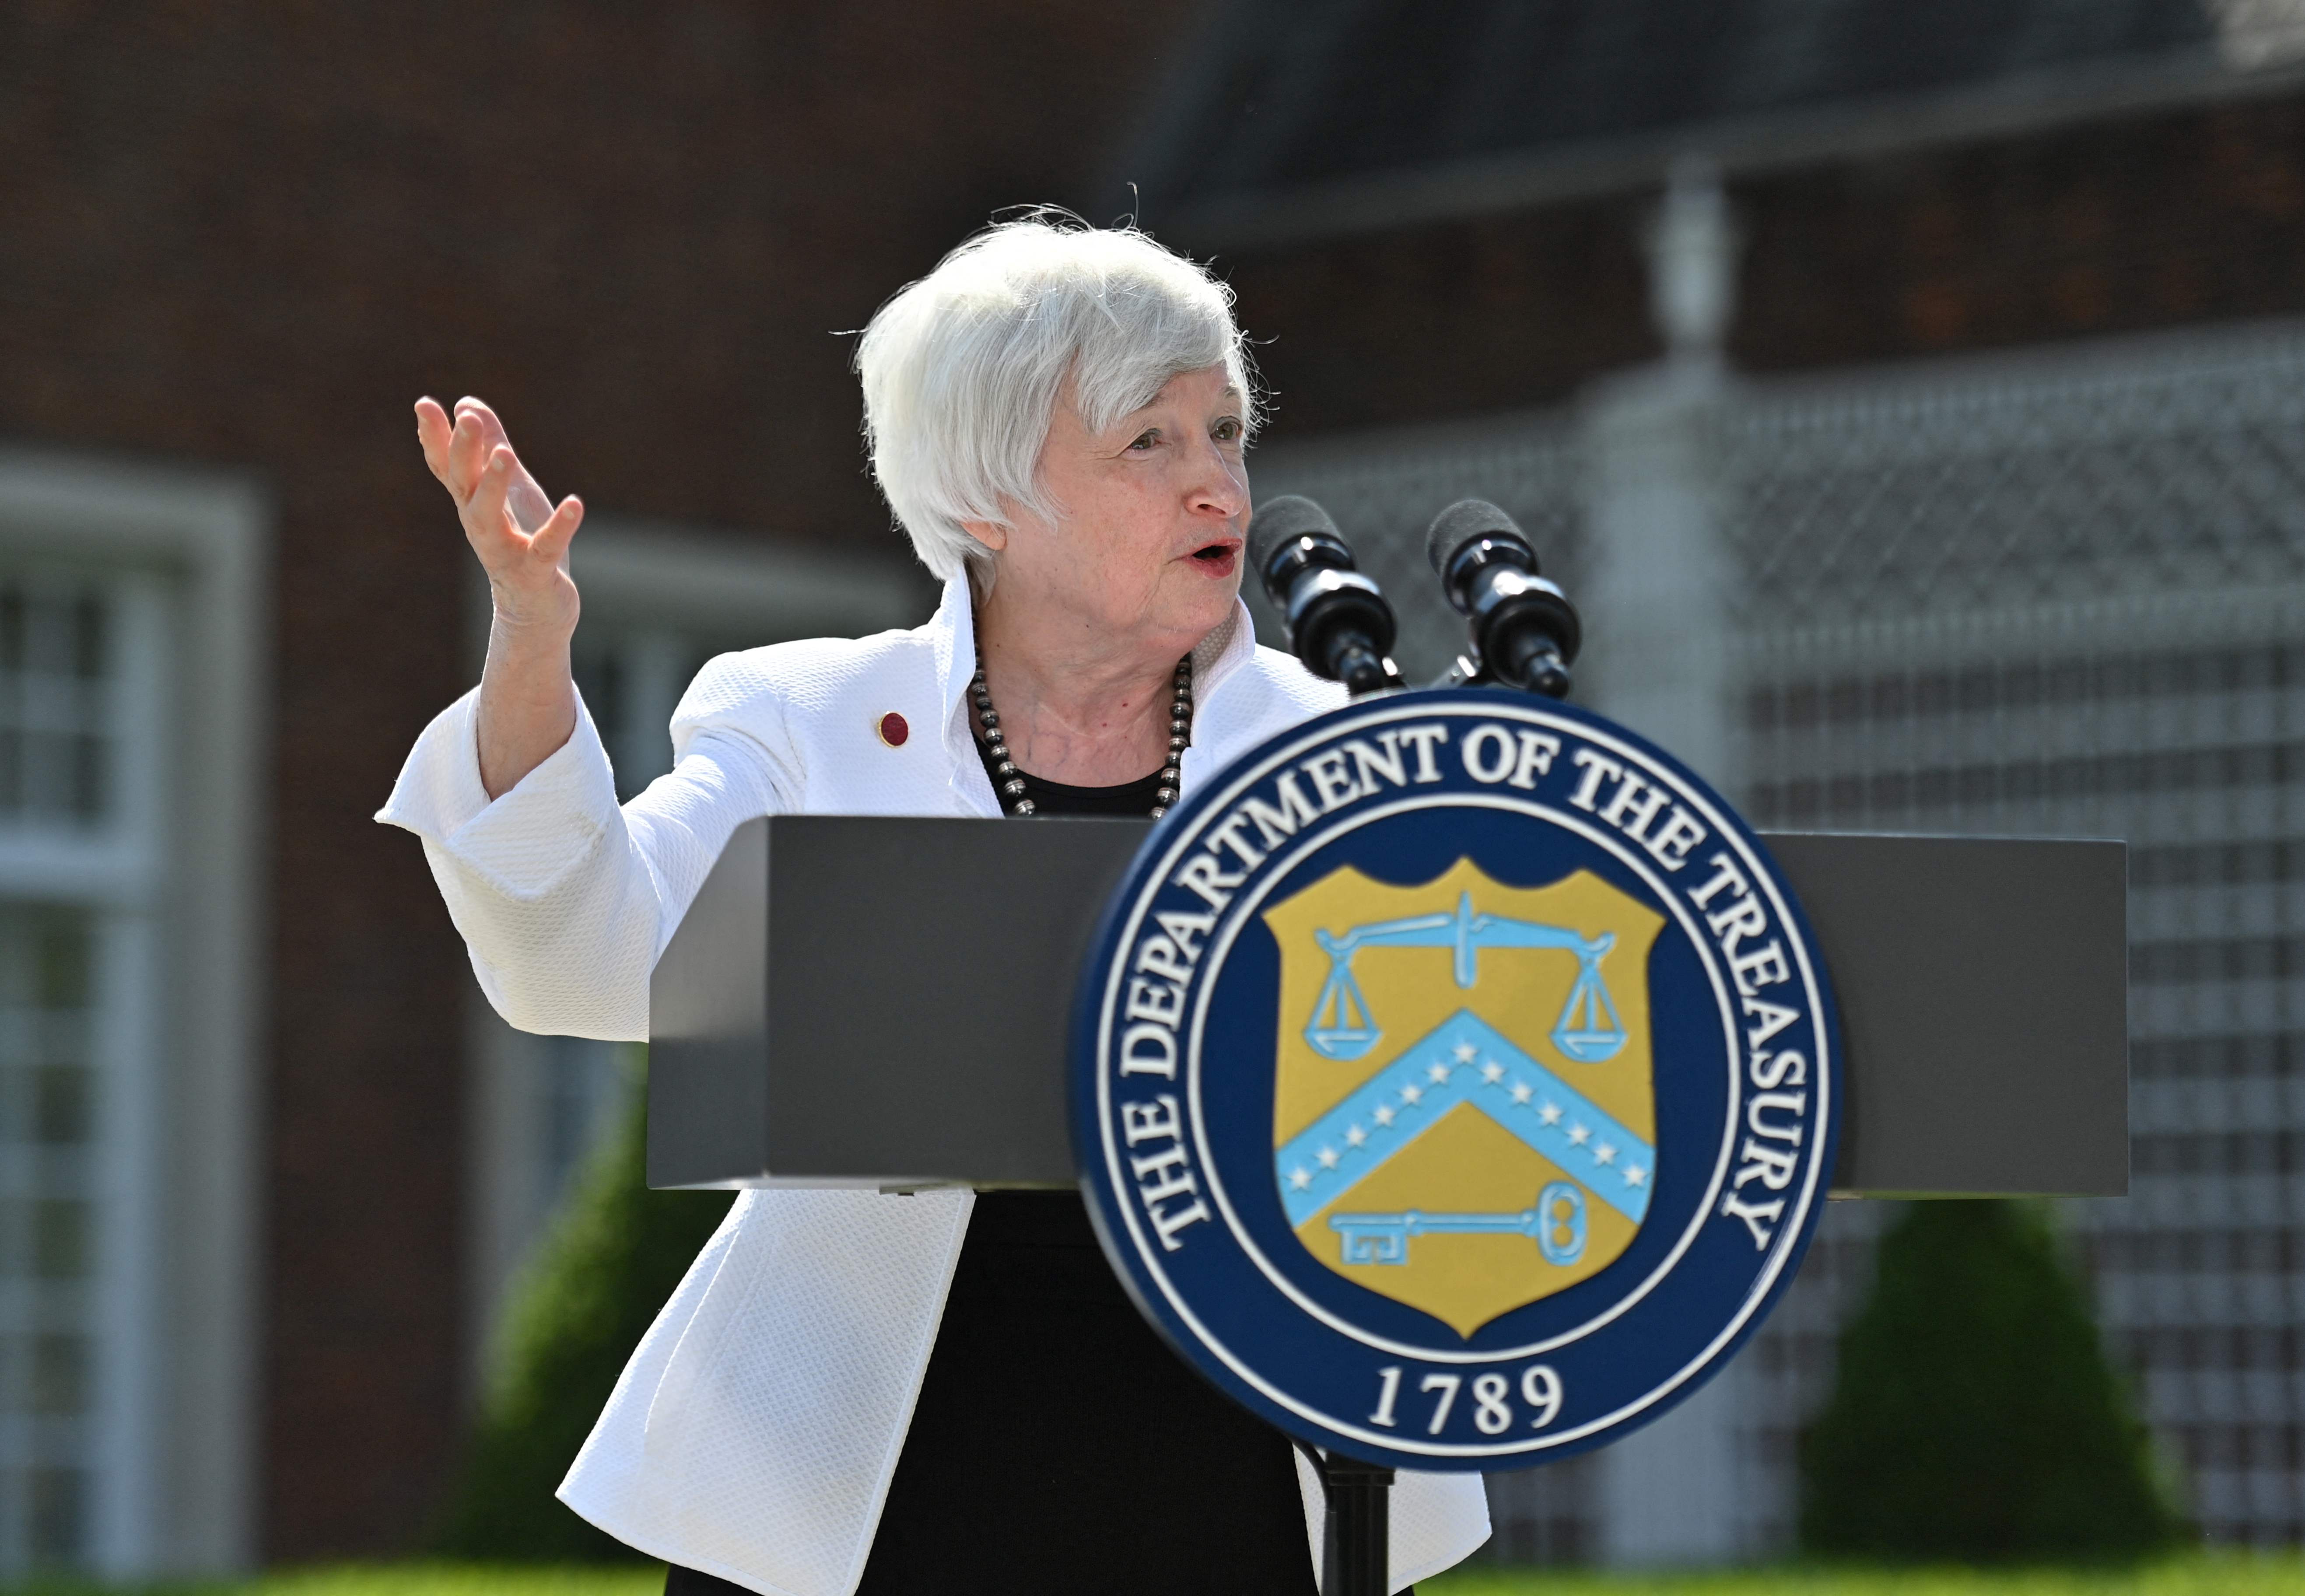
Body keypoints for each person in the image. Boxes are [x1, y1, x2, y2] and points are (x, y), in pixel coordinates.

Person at [378, 218, 1489, 1596]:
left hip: (1248, 1479)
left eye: (1225, 431)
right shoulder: (805, 717)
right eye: (1150, 440)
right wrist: (533, 651)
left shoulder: (1336, 744)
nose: (1219, 483)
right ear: (987, 497)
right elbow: (590, 964)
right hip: (855, 1494)